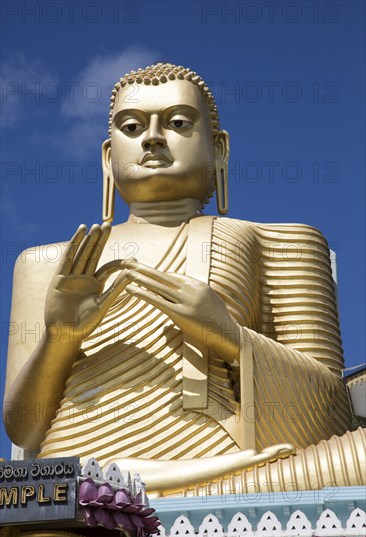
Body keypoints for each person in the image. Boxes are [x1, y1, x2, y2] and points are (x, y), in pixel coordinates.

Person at [3, 63, 363, 496]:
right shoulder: (49, 262)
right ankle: (126, 492)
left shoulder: (281, 242)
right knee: (38, 485)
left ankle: (150, 494)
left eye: (176, 123)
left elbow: (329, 412)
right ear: (106, 156)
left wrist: (228, 335)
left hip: (233, 469)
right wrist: (60, 337)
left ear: (219, 149)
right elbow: (25, 431)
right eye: (132, 126)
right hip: (75, 470)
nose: (152, 138)